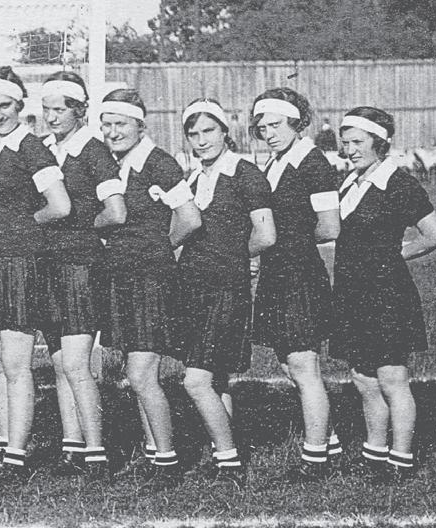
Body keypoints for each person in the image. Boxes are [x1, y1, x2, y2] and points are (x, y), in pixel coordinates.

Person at [0, 66, 72, 485]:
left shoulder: (31, 148)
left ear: (20, 105)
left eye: (5, 105)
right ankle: (5, 445)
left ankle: (17, 459)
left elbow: (60, 206)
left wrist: (22, 228)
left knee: (15, 363)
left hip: (19, 263)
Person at [332, 106, 436, 482]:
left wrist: (394, 256)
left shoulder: (398, 184)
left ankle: (401, 461)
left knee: (391, 378)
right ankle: (375, 455)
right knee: (363, 378)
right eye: (345, 142)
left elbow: (435, 234)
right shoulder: (351, 181)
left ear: (379, 142)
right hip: (351, 293)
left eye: (357, 142)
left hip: (386, 294)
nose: (349, 150)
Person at [97, 89, 200, 486]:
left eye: (120, 124)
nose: (112, 132)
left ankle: (168, 463)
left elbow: (189, 218)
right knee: (136, 371)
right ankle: (155, 452)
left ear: (140, 125)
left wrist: (159, 249)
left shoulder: (159, 163)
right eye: (106, 125)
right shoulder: (116, 163)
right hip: (124, 278)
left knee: (141, 373)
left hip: (150, 280)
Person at [175, 98, 276, 483]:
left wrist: (234, 259)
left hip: (224, 288)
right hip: (194, 286)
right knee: (214, 377)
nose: (201, 140)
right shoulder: (194, 177)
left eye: (208, 131)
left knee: (195, 380)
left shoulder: (244, 173)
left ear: (224, 132)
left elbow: (266, 235)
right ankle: (225, 454)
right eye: (193, 134)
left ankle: (229, 460)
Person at [249, 87, 343, 482]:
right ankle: (330, 444)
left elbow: (330, 226)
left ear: (297, 122)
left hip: (299, 274)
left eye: (276, 125)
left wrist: (292, 243)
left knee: (304, 365)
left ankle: (315, 459)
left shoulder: (313, 163)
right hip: (278, 273)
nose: (268, 133)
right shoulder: (276, 161)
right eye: (262, 127)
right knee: (290, 363)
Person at [37, 71, 126, 477]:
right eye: (47, 109)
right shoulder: (44, 150)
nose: (52, 117)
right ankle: (72, 449)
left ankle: (97, 454)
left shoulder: (93, 152)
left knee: (76, 363)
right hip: (49, 265)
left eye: (61, 109)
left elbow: (116, 212)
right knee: (59, 362)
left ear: (79, 110)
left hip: (81, 267)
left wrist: (83, 229)